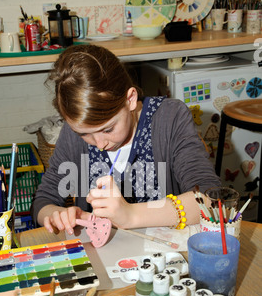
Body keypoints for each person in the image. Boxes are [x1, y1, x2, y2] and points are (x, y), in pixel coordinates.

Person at [31, 44, 221, 235]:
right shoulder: (72, 134)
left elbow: (211, 200)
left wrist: (130, 215)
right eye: (84, 134)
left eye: (108, 129)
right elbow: (43, 201)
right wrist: (58, 214)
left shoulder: (170, 118)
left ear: (130, 99)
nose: (100, 144)